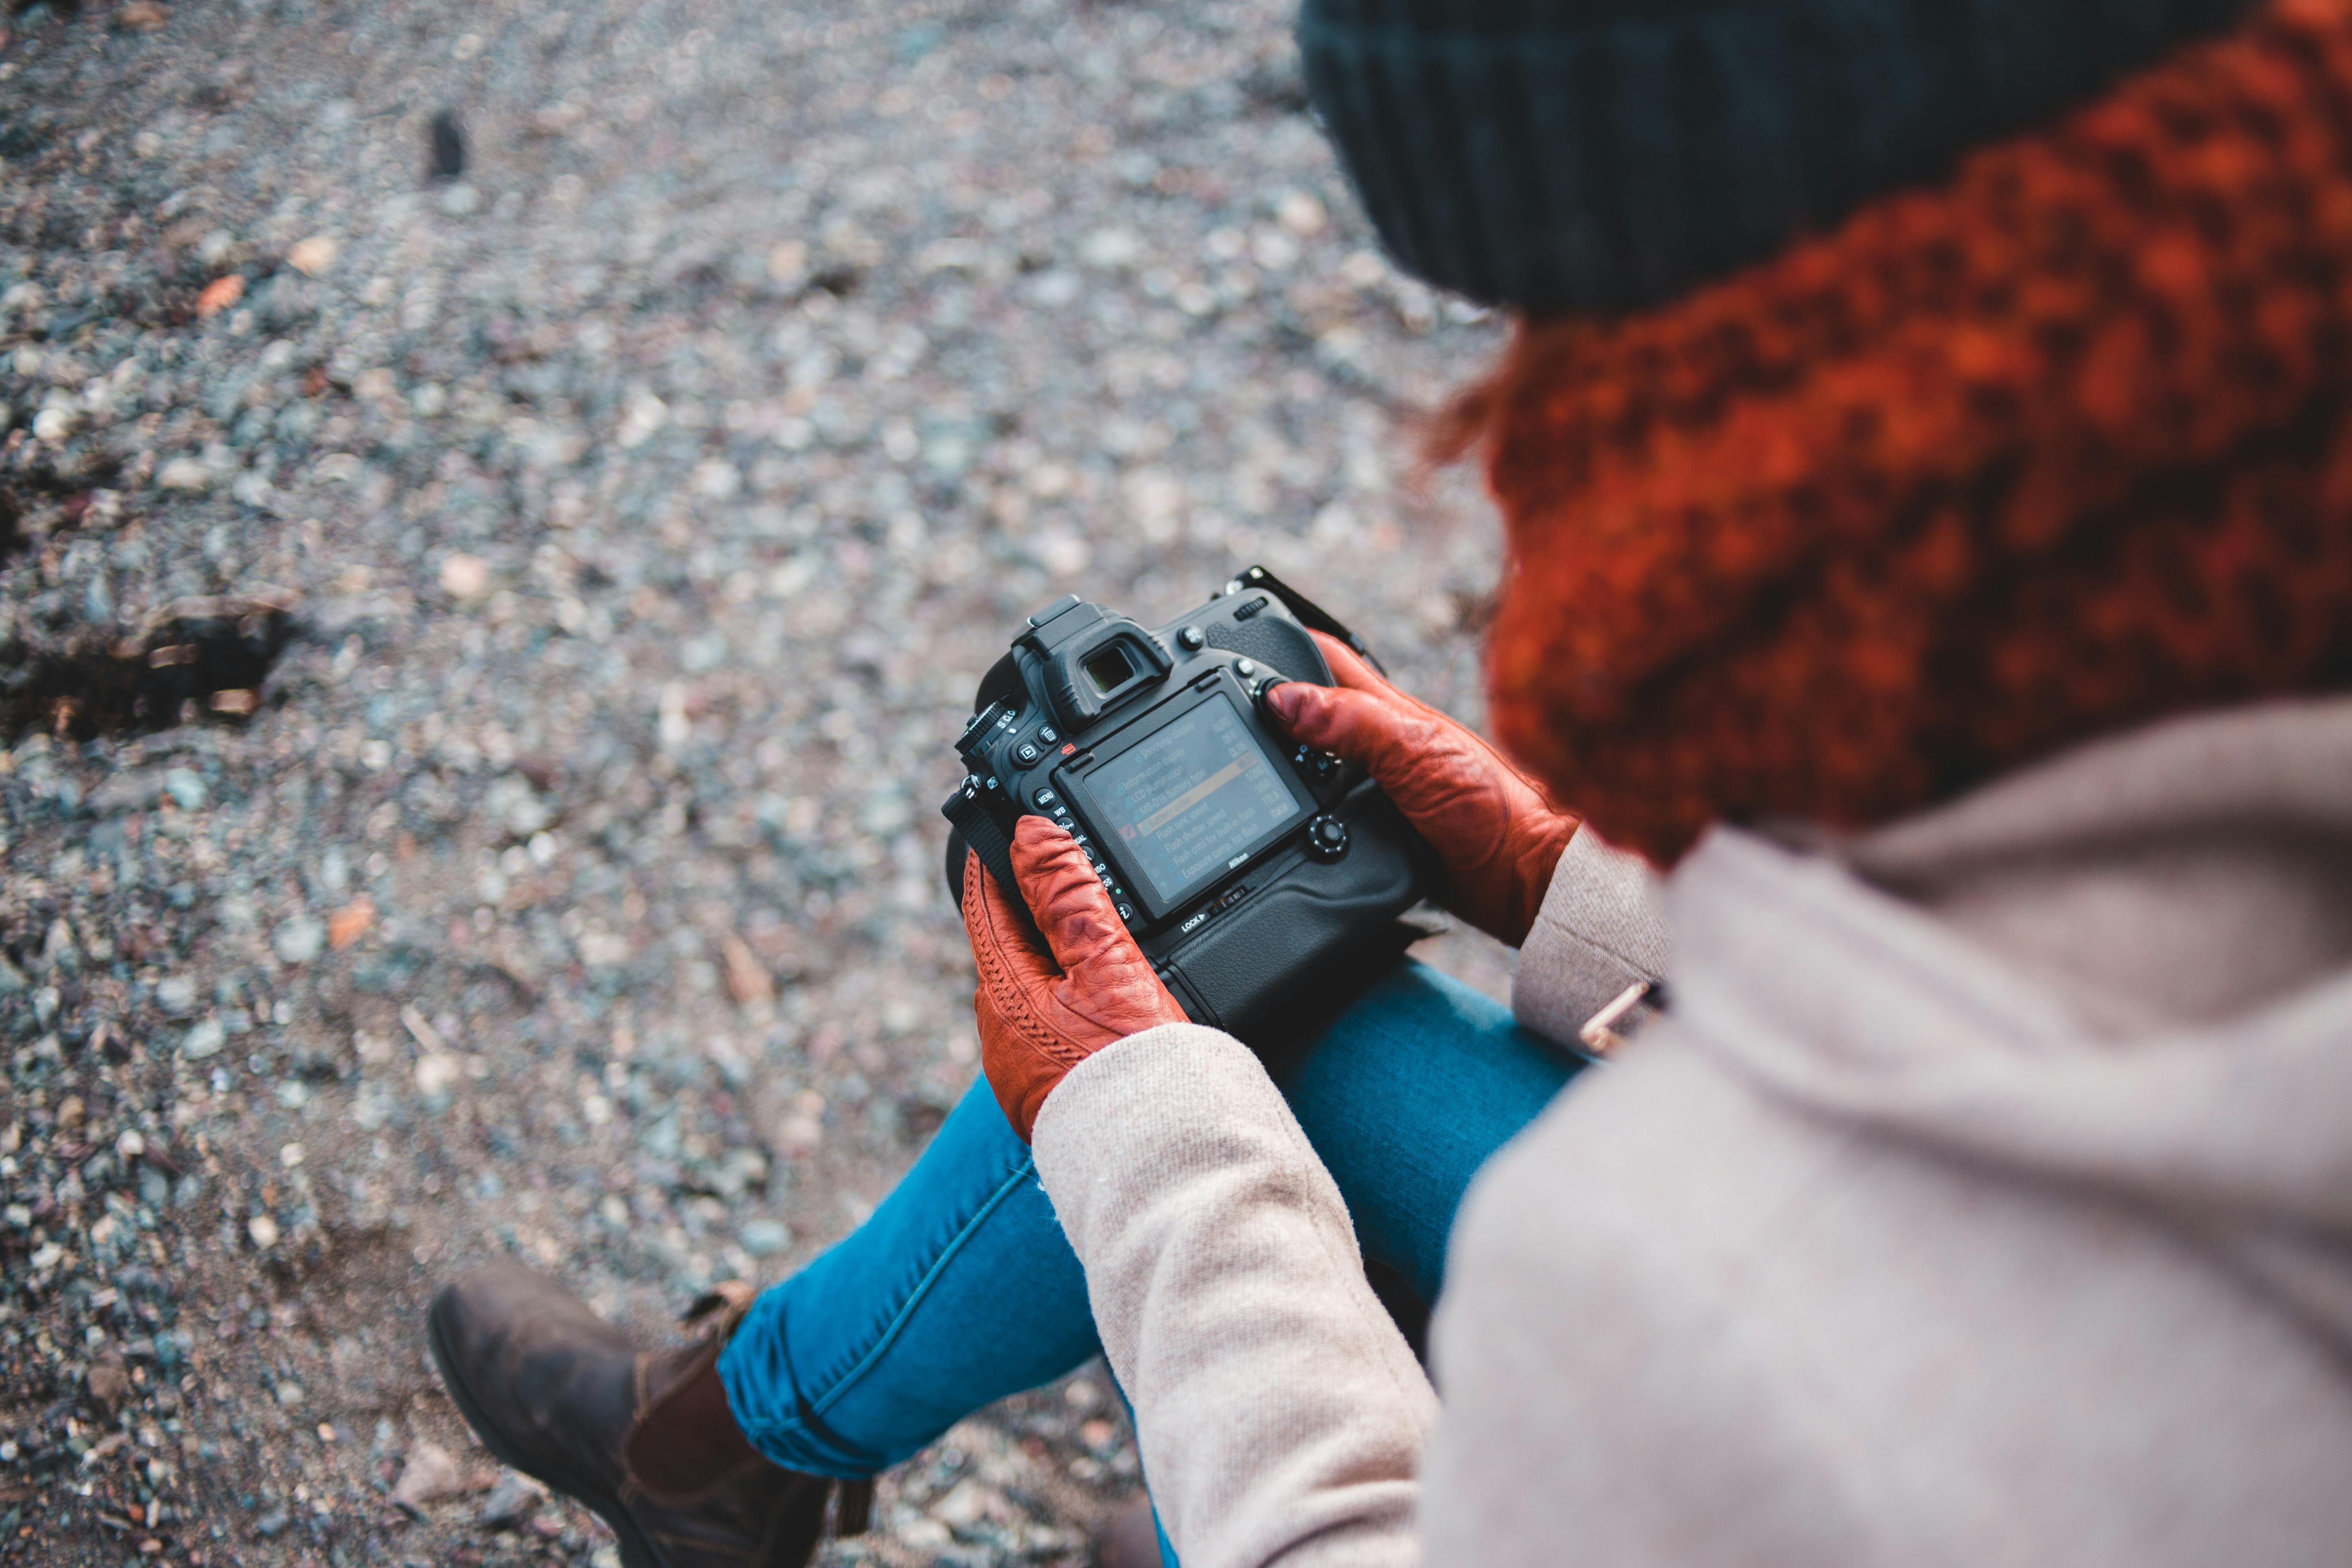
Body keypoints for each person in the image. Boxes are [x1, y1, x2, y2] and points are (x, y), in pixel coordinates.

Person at [425, 0, 2352, 1562]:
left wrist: (1160, 1160)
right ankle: (745, 1444)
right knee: (1273, 1004)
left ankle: (744, 1450)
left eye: (1541, 333)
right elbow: (2063, 1009)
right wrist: (1555, 884)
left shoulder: (1700, 1290)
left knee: (1192, 1047)